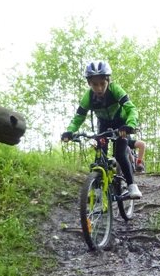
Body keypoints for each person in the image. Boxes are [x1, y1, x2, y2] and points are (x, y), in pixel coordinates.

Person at [61, 60, 143, 198]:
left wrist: (130, 125)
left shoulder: (115, 90)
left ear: (108, 81)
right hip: (103, 125)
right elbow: (78, 118)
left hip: (121, 124)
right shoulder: (88, 97)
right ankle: (98, 191)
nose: (99, 88)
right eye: (94, 84)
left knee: (120, 154)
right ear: (89, 83)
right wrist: (70, 131)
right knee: (100, 156)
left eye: (102, 84)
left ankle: (132, 186)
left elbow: (131, 109)